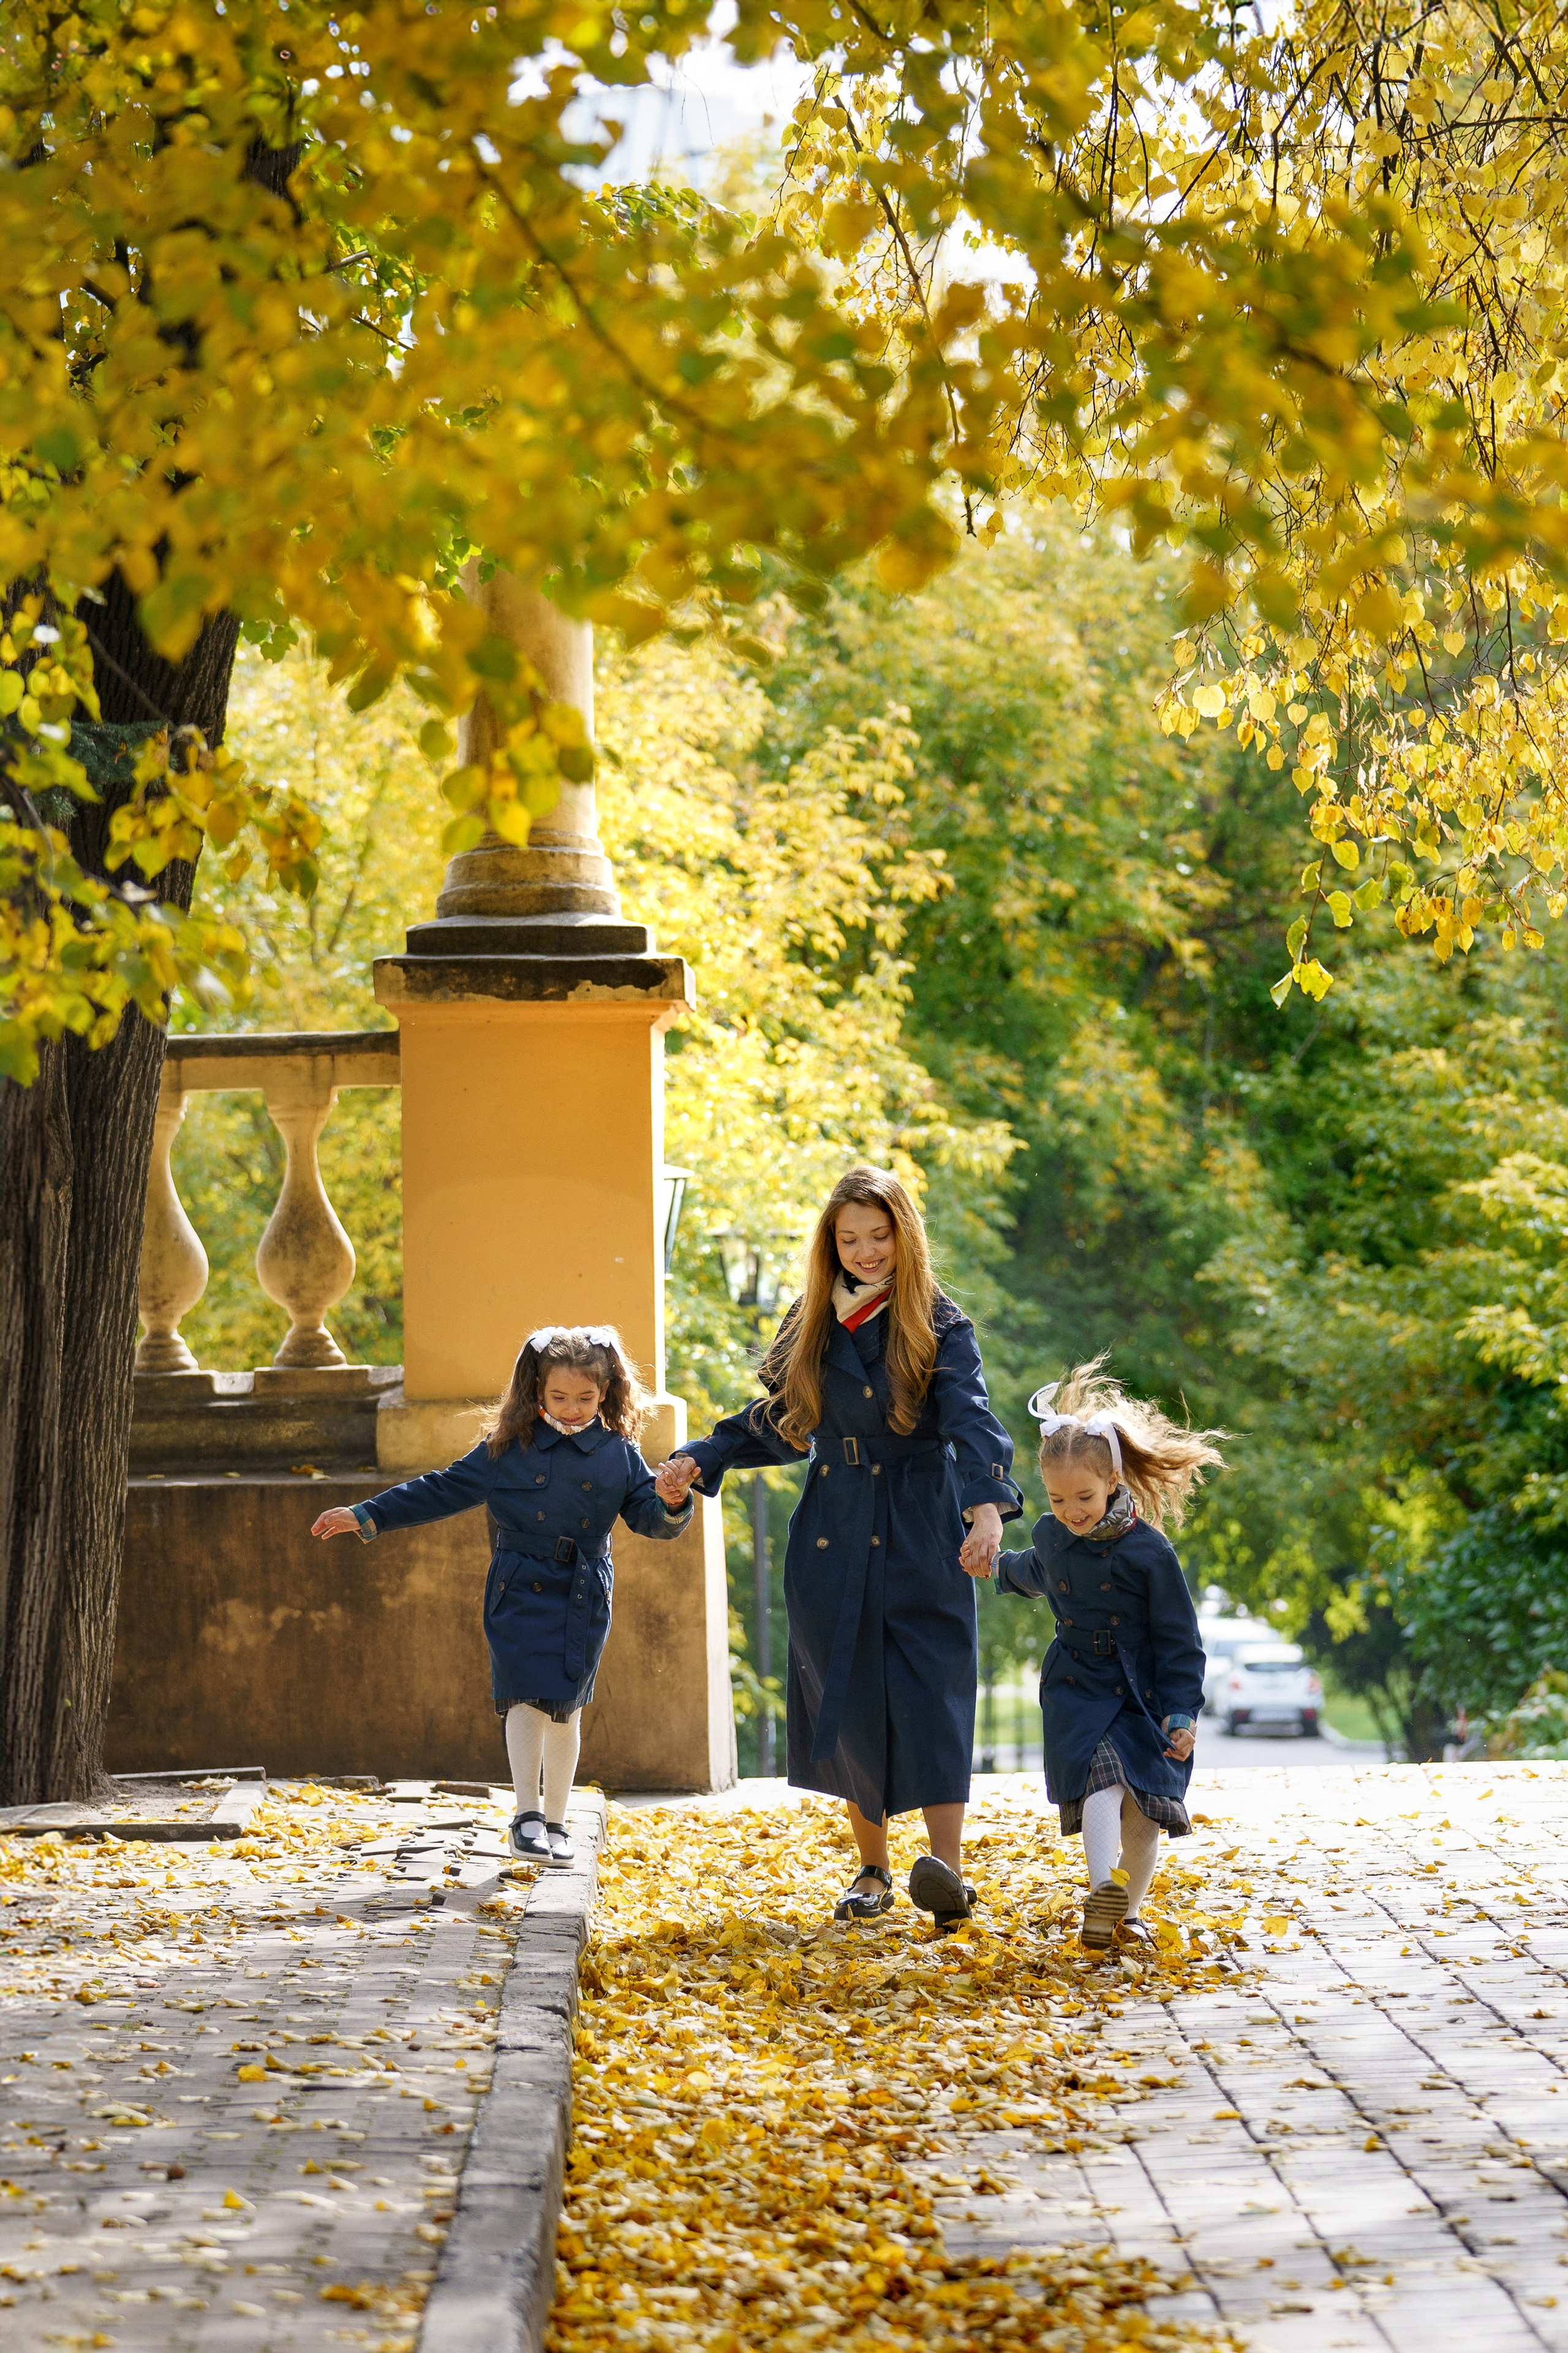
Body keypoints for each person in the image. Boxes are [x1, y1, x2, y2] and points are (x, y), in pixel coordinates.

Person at [654, 1166, 1022, 1931]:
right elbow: (779, 1420)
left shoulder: (940, 1322)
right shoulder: (811, 1320)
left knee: (934, 1691)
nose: (865, 1251)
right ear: (831, 1244)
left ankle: (947, 1872)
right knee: (849, 1695)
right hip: (834, 1524)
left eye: (878, 1235)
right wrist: (701, 1458)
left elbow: (971, 1419)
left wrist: (986, 1510)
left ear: (904, 1235)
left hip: (923, 1521)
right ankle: (873, 1869)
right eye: (849, 1238)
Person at [312, 1324, 692, 1865]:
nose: (573, 1408)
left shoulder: (618, 1454)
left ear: (605, 1392)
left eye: (586, 1397)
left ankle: (557, 1822)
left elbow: (650, 1520)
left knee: (566, 1708)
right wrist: (367, 1513)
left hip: (583, 1590)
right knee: (524, 1693)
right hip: (518, 1584)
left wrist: (673, 1502)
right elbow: (439, 1489)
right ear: (536, 1389)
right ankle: (526, 1815)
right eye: (559, 1396)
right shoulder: (507, 1449)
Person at [992, 1359, 1226, 1951]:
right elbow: (1032, 1570)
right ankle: (1101, 1891)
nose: (1072, 1510)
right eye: (1058, 1497)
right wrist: (994, 1566)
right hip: (1077, 1684)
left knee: (1144, 1811)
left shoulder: (1150, 1552)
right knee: (1101, 1778)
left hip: (1142, 1693)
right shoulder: (1053, 1533)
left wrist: (1181, 1714)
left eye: (1085, 1496)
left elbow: (1180, 1643)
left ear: (1114, 1481)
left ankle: (1127, 1914)